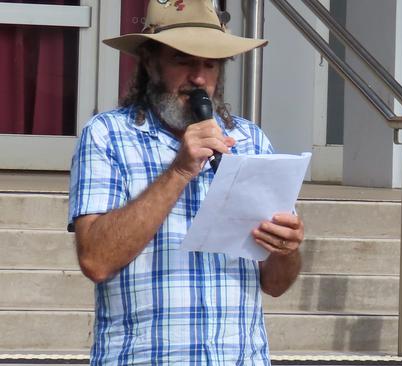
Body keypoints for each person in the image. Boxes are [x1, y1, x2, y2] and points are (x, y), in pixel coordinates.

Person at [67, 0, 304, 364]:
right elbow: (96, 261)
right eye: (183, 59)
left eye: (210, 64)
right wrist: (178, 171)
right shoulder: (107, 135)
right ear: (150, 62)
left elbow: (275, 284)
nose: (198, 79)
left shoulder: (250, 140)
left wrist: (286, 250)